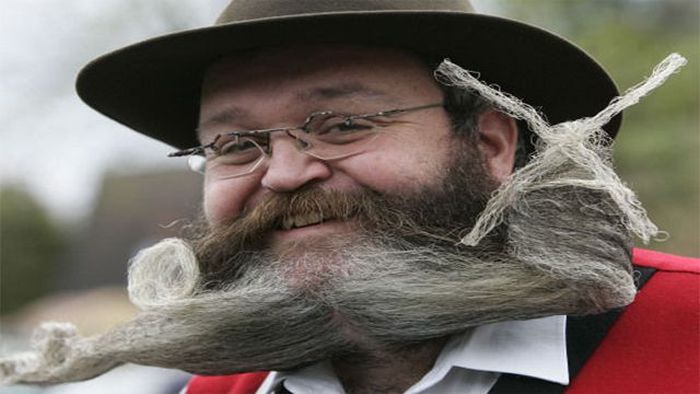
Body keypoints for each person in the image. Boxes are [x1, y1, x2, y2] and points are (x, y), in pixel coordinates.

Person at [1, 1, 697, 393]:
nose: (281, 174)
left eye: (340, 125)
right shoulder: (219, 389)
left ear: (490, 144)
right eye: (235, 145)